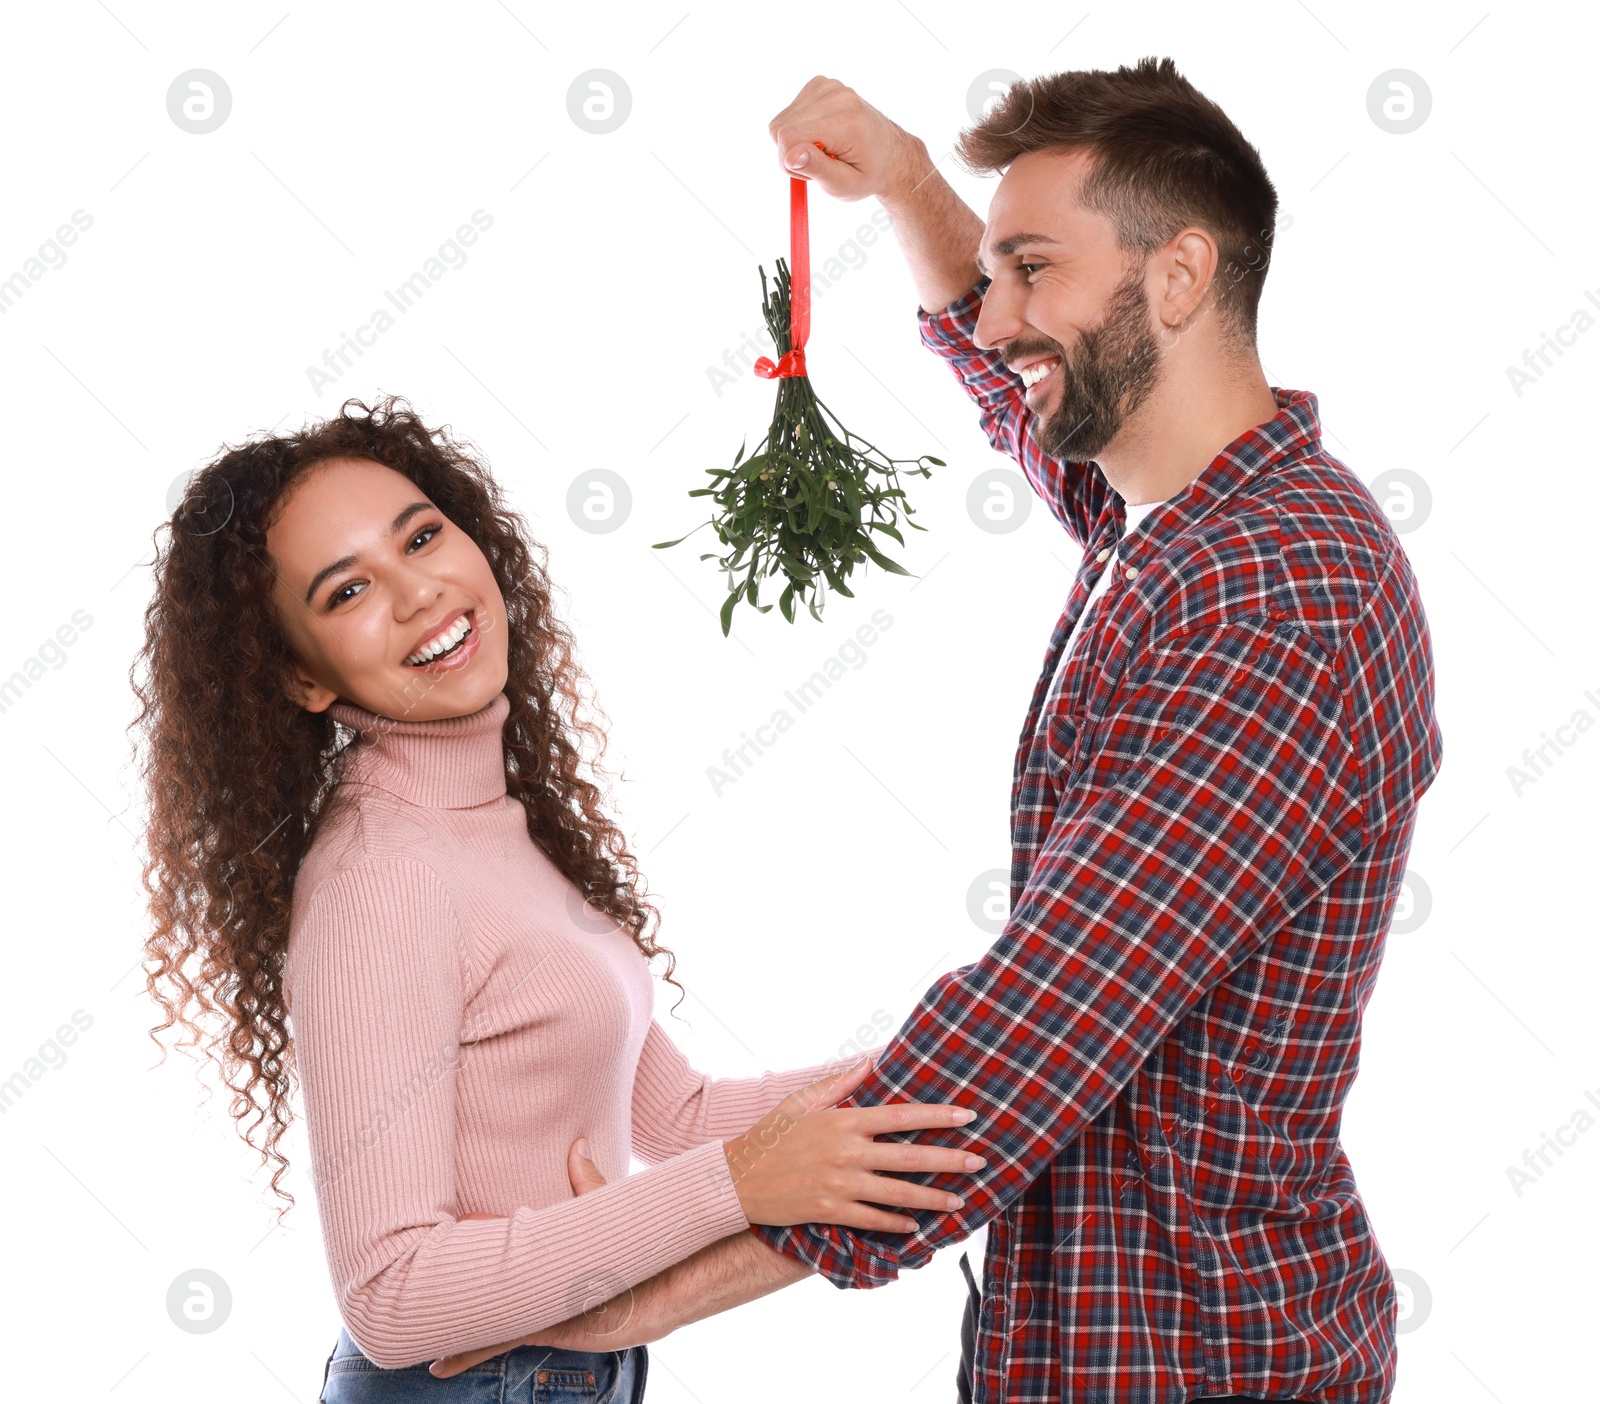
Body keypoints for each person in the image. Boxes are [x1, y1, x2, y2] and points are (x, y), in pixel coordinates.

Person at [431, 59, 1444, 1404]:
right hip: (1081, 1333)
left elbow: (1016, 1052)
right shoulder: (1179, 529)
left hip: (1193, 1363)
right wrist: (907, 183)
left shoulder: (1276, 607)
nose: (1004, 311)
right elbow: (1029, 398)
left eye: (1036, 267)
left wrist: (594, 1301)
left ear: (1182, 276)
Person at [133, 398, 987, 1402]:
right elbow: (393, 1295)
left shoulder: (495, 827)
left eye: (421, 536)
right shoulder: (385, 875)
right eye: (349, 589)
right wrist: (736, 1184)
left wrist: (970, 1051)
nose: (419, 593)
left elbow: (676, 1114)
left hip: (553, 1374)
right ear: (300, 675)